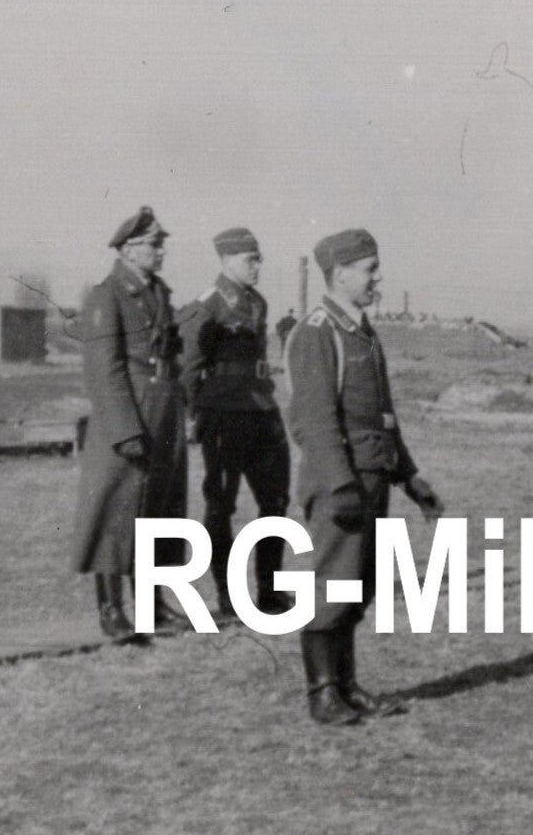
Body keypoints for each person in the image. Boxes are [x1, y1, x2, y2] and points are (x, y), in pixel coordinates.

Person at [286, 228, 444, 726]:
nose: (378, 277)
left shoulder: (360, 330)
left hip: (370, 478)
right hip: (342, 482)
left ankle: (348, 686)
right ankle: (322, 694)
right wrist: (339, 485)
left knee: (357, 585)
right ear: (339, 274)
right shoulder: (318, 332)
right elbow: (314, 420)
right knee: (331, 584)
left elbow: (384, 416)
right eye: (370, 269)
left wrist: (410, 477)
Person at [70, 206, 190, 642]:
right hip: (127, 418)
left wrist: (181, 408)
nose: (161, 253)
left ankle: (153, 605)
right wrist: (126, 430)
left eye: (161, 245)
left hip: (162, 412)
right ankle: (111, 609)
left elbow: (171, 355)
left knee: (158, 512)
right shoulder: (108, 296)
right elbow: (104, 369)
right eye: (154, 245)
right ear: (128, 249)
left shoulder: (159, 293)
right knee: (116, 514)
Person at [176, 228, 292, 618]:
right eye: (249, 260)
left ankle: (271, 591)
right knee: (221, 505)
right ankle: (228, 595)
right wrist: (193, 415)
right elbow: (190, 366)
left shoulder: (257, 302)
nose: (257, 266)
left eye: (259, 258)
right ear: (226, 262)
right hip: (224, 414)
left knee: (275, 500)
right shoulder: (206, 305)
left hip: (262, 410)